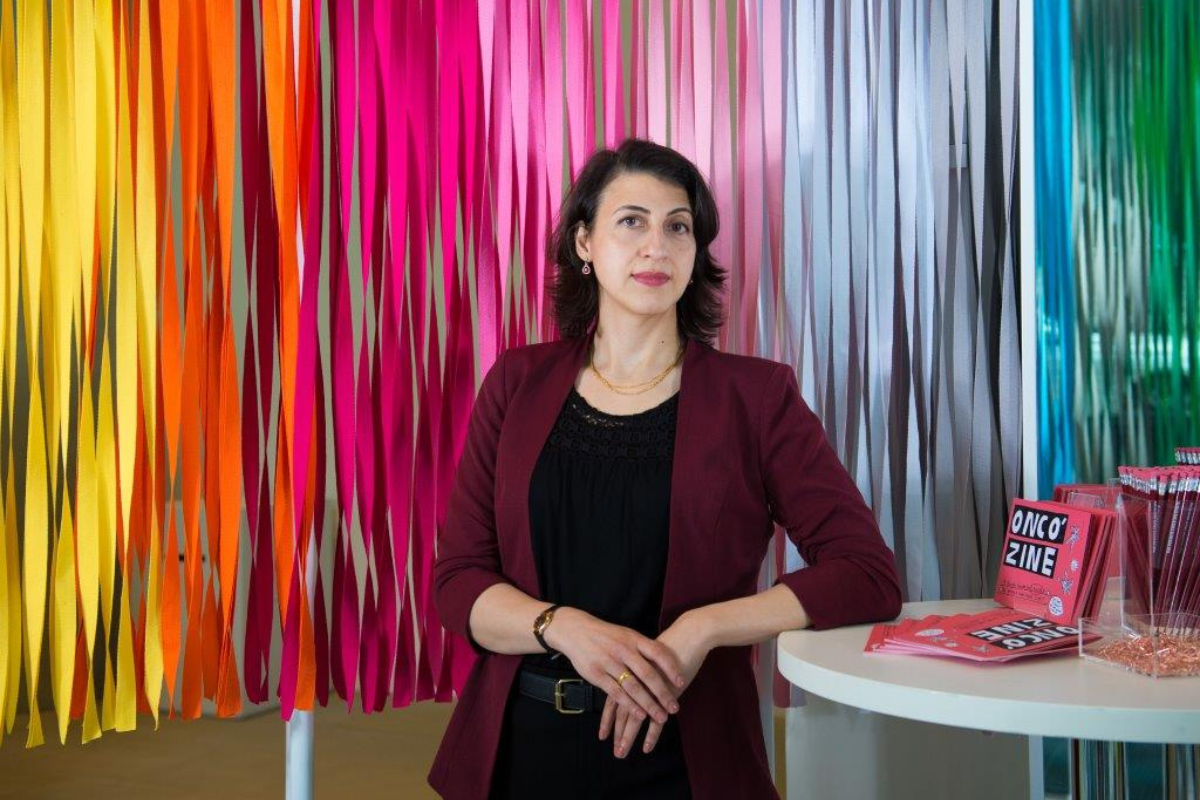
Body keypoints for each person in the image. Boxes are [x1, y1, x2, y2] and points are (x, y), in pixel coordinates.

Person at [427, 138, 902, 800]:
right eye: (631, 222)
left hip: (684, 754)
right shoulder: (515, 383)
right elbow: (458, 582)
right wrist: (563, 626)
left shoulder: (756, 398)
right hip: (520, 751)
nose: (657, 246)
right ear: (585, 244)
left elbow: (866, 575)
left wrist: (700, 630)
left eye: (677, 226)